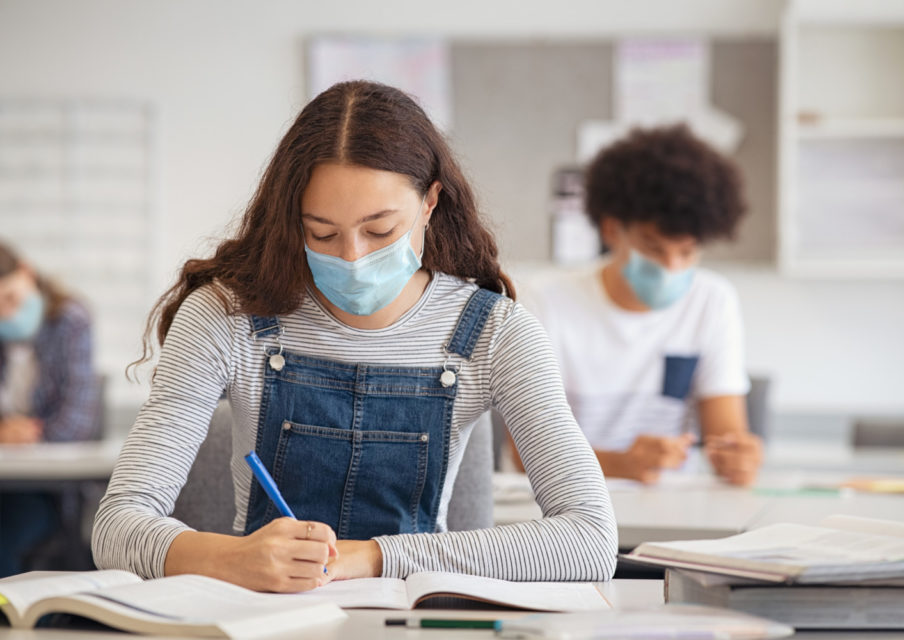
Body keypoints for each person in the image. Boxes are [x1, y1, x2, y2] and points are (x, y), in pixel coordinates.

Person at [92, 80, 617, 593]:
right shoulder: (225, 316)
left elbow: (590, 540)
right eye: (321, 233)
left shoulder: (496, 332)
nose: (352, 258)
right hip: (261, 618)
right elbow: (117, 526)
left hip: (412, 620)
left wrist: (372, 556)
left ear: (431, 202)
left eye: (380, 231)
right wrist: (231, 558)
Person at [524, 125, 762, 487]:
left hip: (671, 514)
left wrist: (737, 458)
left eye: (687, 252)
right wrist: (621, 463)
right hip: (565, 511)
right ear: (611, 230)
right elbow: (524, 454)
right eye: (653, 248)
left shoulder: (712, 302)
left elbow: (726, 436)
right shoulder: (544, 302)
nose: (672, 268)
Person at [0, 242, 99, 577]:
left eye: (10, 299)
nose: (6, 314)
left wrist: (28, 432)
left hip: (44, 490)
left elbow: (75, 423)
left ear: (26, 272)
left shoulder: (71, 322)